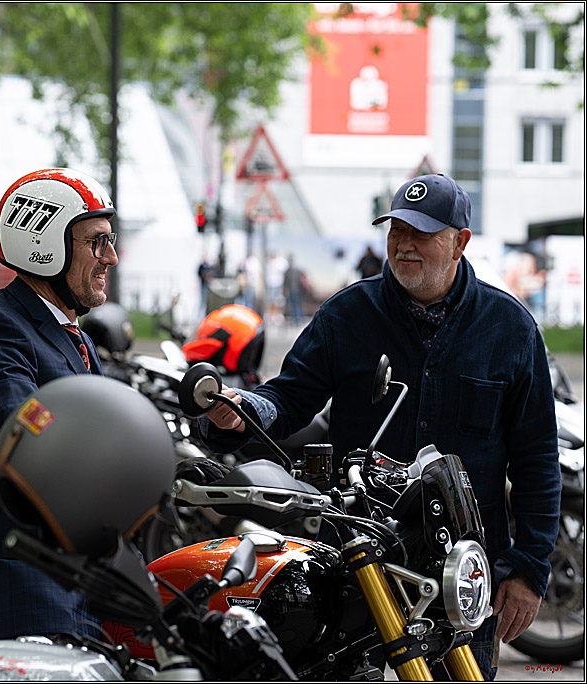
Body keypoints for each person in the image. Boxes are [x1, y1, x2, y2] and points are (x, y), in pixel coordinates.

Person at [199, 173, 560, 680]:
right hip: (355, 560)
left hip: (460, 571)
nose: (403, 245)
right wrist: (244, 410)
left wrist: (528, 568)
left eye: (421, 233)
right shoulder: (348, 314)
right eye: (395, 231)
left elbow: (537, 459)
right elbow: (289, 395)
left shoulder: (510, 328)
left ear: (460, 242)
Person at [0, 168, 118, 646]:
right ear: (45, 244)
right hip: (15, 590)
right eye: (97, 243)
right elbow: (30, 438)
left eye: (110, 241)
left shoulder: (64, 330)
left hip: (72, 581)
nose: (111, 258)